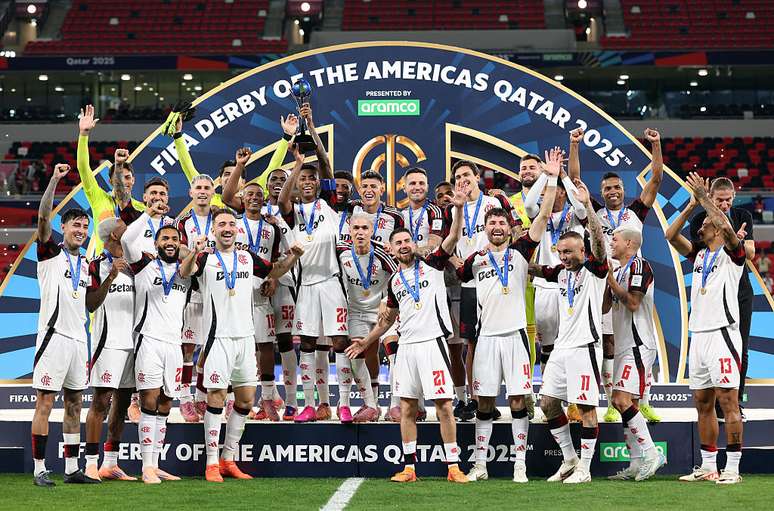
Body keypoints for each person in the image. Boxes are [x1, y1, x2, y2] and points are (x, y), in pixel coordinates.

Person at [346, 182, 469, 483]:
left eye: (407, 241)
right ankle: (410, 468)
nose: (403, 246)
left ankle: (453, 466)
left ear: (414, 244)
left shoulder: (434, 265)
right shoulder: (394, 283)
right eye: (397, 243)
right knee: (407, 408)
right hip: (408, 349)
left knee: (443, 405)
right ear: (390, 249)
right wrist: (367, 341)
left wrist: (459, 208)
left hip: (433, 345)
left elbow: (452, 237)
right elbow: (388, 321)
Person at [460, 147, 561, 483]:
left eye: (502, 221)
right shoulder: (475, 260)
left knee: (518, 398)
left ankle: (520, 463)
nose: (497, 226)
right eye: (492, 222)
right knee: (485, 401)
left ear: (510, 226)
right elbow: (449, 261)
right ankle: (480, 465)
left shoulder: (521, 252)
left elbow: (543, 218)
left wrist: (551, 178)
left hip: (516, 334)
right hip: (486, 337)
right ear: (486, 227)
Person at [179, 210, 302, 482]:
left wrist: (294, 256)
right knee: (216, 398)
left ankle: (228, 458)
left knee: (246, 400)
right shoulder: (205, 257)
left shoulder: (247, 257)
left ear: (237, 230)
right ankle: (211, 463)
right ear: (213, 230)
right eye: (221, 224)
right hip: (217, 339)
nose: (227, 228)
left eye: (231, 225)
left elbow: (274, 270)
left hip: (245, 339)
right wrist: (192, 252)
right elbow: (184, 272)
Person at [568, 127, 664, 423]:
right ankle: (612, 401)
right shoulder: (592, 210)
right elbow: (574, 182)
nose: (613, 192)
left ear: (623, 190)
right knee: (609, 342)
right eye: (608, 188)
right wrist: (574, 145)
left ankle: (642, 399)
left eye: (617, 188)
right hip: (603, 281)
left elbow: (656, 179)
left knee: (641, 341)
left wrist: (656, 145)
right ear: (602, 192)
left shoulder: (636, 212)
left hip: (635, 279)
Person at [666, 173, 745, 485]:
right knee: (702, 401)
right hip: (698, 335)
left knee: (729, 401)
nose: (700, 227)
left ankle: (734, 468)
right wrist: (690, 205)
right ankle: (708, 465)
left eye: (705, 223)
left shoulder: (732, 255)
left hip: (723, 333)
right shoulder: (699, 254)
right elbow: (671, 235)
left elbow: (726, 227)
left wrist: (706, 198)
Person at [528, 178, 607, 484]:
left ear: (582, 251)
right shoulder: (560, 273)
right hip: (561, 349)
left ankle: (585, 470)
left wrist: (587, 206)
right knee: (547, 403)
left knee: (586, 408)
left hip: (586, 347)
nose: (564, 257)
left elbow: (600, 247)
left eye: (570, 252)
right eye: (561, 252)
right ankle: (570, 459)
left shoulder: (594, 270)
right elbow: (537, 269)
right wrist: (507, 252)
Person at [278, 105, 351, 423]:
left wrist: (310, 123)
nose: (308, 182)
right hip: (305, 284)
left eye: (312, 178)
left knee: (339, 341)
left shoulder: (330, 202)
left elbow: (324, 162)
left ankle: (345, 403)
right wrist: (295, 166)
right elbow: (282, 200)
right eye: (303, 179)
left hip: (332, 281)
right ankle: (309, 404)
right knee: (306, 343)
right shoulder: (292, 209)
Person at [31, 164, 98, 486]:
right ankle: (39, 468)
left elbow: (89, 304)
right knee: (45, 401)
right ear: (64, 227)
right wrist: (55, 180)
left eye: (85, 226)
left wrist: (110, 279)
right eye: (75, 225)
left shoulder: (86, 264)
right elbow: (43, 218)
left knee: (74, 402)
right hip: (53, 337)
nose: (81, 230)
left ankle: (72, 469)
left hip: (78, 339)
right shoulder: (48, 253)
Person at [121, 203, 192, 484]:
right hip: (148, 340)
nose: (170, 243)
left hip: (174, 344)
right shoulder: (144, 266)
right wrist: (149, 214)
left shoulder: (187, 271)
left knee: (165, 403)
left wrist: (193, 249)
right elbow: (127, 239)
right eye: (165, 239)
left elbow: (196, 263)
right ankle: (146, 467)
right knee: (149, 401)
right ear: (156, 242)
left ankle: (157, 463)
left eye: (175, 239)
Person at [447, 160, 517, 422]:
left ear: (478, 177)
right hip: (467, 284)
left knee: (497, 339)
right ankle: (475, 400)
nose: (462, 180)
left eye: (467, 175)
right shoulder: (453, 207)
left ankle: (498, 397)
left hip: (494, 281)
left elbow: (515, 232)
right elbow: (448, 244)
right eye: (457, 177)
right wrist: (459, 265)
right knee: (472, 344)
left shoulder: (495, 203)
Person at [524, 150, 588, 422]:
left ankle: (574, 401)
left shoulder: (574, 215)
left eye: (555, 191)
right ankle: (551, 395)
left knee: (571, 345)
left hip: (572, 284)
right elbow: (528, 204)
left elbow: (584, 207)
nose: (548, 196)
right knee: (547, 346)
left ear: (563, 192)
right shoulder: (541, 213)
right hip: (546, 285)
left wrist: (562, 175)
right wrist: (546, 176)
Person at [687, 176, 755, 420]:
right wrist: (731, 239)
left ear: (733, 198)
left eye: (728, 200)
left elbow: (750, 252)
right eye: (719, 200)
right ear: (711, 198)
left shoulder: (743, 216)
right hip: (714, 291)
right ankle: (715, 403)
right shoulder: (699, 219)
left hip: (741, 291)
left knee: (742, 348)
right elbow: (699, 251)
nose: (724, 205)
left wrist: (733, 240)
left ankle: (736, 403)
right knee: (714, 353)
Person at [605, 227, 666, 481]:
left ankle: (652, 454)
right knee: (626, 405)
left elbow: (632, 302)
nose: (611, 242)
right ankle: (635, 463)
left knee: (621, 400)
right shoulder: (617, 270)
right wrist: (604, 280)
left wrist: (610, 282)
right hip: (622, 344)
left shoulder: (640, 265)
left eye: (615, 239)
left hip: (638, 344)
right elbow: (606, 306)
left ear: (629, 243)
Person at [83, 217, 136, 482]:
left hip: (134, 342)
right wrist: (111, 277)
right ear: (112, 236)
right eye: (122, 226)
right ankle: (91, 463)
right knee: (102, 401)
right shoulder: (96, 265)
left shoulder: (137, 262)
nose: (127, 227)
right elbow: (91, 303)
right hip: (109, 342)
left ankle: (111, 463)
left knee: (123, 402)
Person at [336, 214, 397, 422]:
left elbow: (400, 276)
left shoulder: (383, 254)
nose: (360, 232)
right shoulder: (341, 253)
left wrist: (387, 299)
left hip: (384, 310)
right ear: (350, 231)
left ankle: (395, 405)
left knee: (394, 351)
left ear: (372, 232)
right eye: (356, 228)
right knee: (356, 352)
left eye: (365, 228)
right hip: (356, 312)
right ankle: (371, 405)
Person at [172, 111, 297, 211]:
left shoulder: (253, 196)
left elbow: (273, 166)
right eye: (227, 174)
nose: (231, 177)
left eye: (235, 174)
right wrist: (177, 135)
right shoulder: (210, 197)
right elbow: (188, 167)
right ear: (219, 181)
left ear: (243, 182)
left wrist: (287, 136)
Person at [234, 179, 283, 421]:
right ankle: (234, 400)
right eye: (249, 194)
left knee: (265, 346)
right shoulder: (232, 224)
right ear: (242, 199)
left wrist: (273, 279)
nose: (254, 197)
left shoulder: (272, 228)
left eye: (258, 195)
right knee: (238, 346)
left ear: (263, 200)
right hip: (237, 293)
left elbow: (276, 260)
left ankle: (268, 399)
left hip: (261, 292)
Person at [76, 105, 145, 255]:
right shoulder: (98, 198)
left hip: (132, 268)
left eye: (127, 177)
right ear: (110, 181)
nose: (124, 181)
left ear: (133, 180)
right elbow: (83, 168)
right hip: (103, 268)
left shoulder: (141, 209)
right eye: (119, 178)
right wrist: (84, 134)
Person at [176, 173, 217, 422]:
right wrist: (195, 250)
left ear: (213, 192)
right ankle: (184, 399)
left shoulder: (221, 219)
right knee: (187, 349)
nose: (202, 191)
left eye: (207, 187)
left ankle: (201, 397)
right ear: (191, 193)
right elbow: (178, 249)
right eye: (198, 188)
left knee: (210, 348)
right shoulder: (182, 223)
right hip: (192, 292)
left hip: (216, 292)